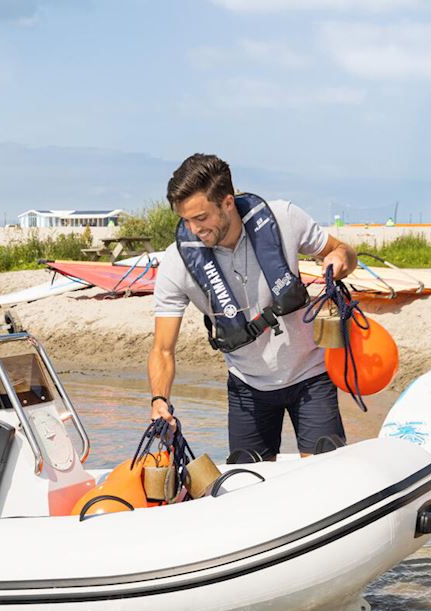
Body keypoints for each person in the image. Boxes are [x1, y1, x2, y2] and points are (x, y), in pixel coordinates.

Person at [148, 153, 357, 461]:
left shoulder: (284, 218)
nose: (193, 229)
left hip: (311, 376)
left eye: (202, 218)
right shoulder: (177, 262)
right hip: (247, 387)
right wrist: (158, 400)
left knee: (325, 476)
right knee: (248, 486)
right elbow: (163, 350)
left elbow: (343, 251)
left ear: (227, 203)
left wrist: (340, 261)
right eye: (186, 220)